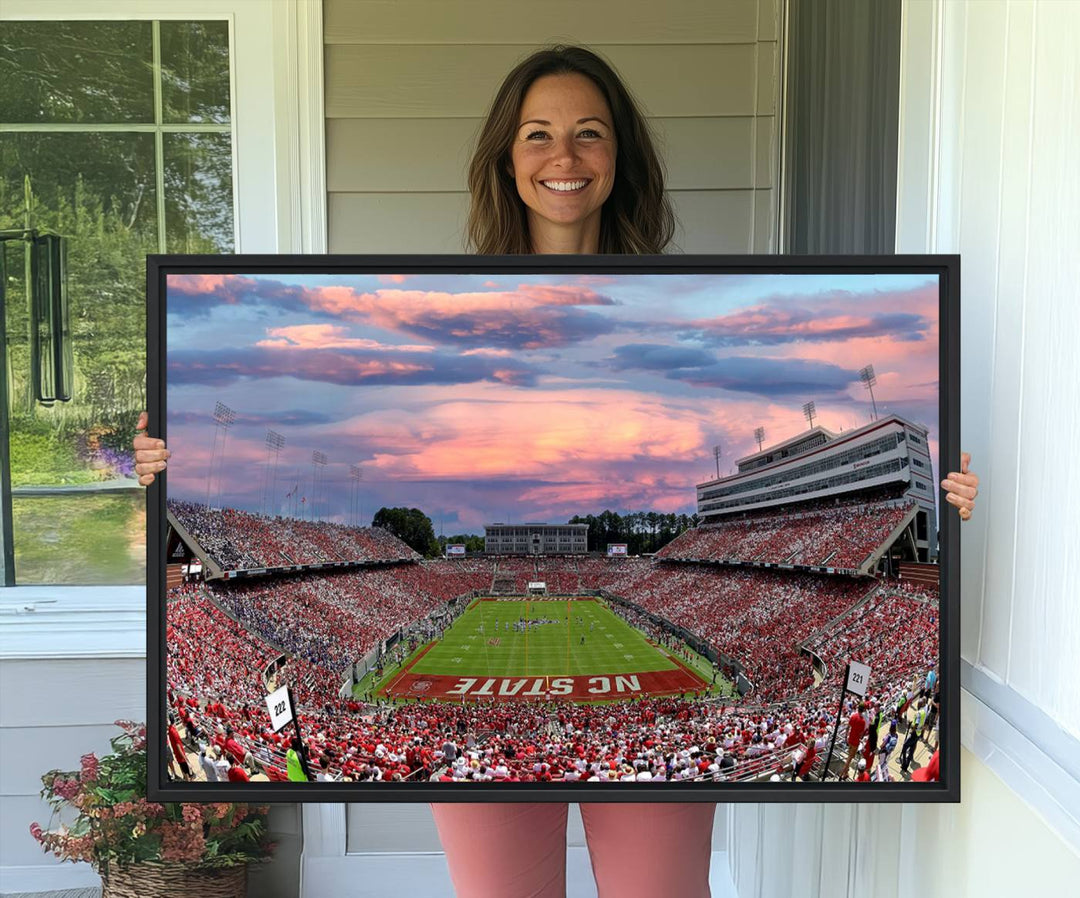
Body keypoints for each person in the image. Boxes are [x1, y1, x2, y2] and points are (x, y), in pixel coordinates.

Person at [136, 42, 981, 898]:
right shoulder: (440, 306)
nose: (563, 157)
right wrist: (160, 462)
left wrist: (938, 500)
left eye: (589, 133)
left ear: (620, 158)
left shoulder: (688, 303)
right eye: (538, 134)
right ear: (507, 158)